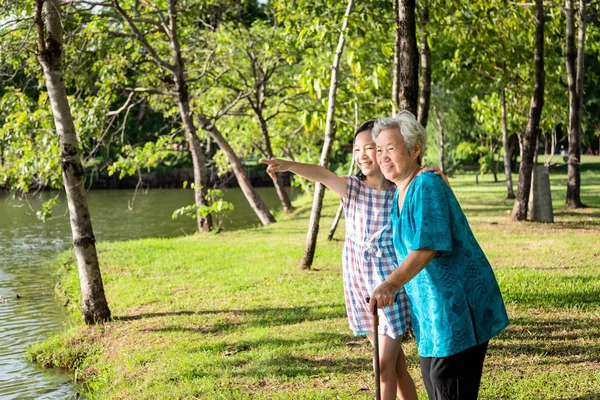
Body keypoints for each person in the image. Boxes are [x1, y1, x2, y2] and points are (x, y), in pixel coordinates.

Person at [260, 120, 418, 400]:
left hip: (389, 290)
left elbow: (421, 178)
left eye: (371, 148)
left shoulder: (400, 191)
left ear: (384, 151)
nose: (363, 155)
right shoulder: (352, 188)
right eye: (357, 150)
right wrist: (288, 165)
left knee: (383, 367)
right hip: (360, 288)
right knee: (395, 365)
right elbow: (320, 174)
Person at [370, 111, 509, 400]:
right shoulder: (401, 191)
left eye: (391, 149)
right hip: (433, 313)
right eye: (379, 150)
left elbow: (426, 247)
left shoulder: (425, 186)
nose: (382, 157)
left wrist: (390, 284)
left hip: (457, 307)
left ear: (415, 149)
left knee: (448, 384)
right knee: (436, 381)